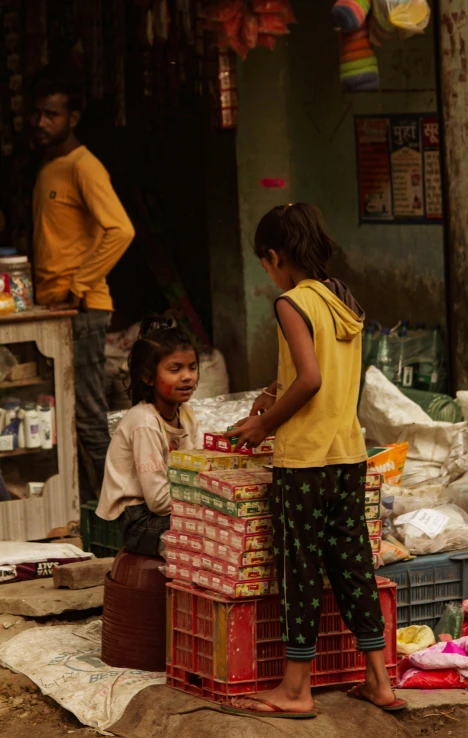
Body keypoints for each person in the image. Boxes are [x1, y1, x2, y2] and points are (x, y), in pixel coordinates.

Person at [222, 204, 405, 719]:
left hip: (303, 461)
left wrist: (264, 424)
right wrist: (273, 389)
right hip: (346, 453)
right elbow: (322, 369)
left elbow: (311, 379)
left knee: (299, 569)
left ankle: (296, 690)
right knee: (352, 566)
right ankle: (379, 681)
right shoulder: (342, 298)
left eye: (265, 264)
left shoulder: (291, 303)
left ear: (275, 257)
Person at [29, 65, 135, 501]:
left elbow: (121, 230)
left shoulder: (84, 166)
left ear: (73, 117)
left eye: (52, 114)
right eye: (38, 113)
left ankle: (124, 512)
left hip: (83, 309)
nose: (41, 123)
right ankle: (88, 508)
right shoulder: (50, 168)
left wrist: (81, 284)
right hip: (55, 310)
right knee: (63, 417)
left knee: (89, 417)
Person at [96, 314, 201, 556]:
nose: (187, 376)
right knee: (208, 530)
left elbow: (198, 467)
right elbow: (158, 502)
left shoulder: (186, 415)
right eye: (175, 369)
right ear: (148, 377)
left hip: (172, 507)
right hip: (139, 519)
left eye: (192, 368)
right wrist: (202, 500)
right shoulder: (144, 422)